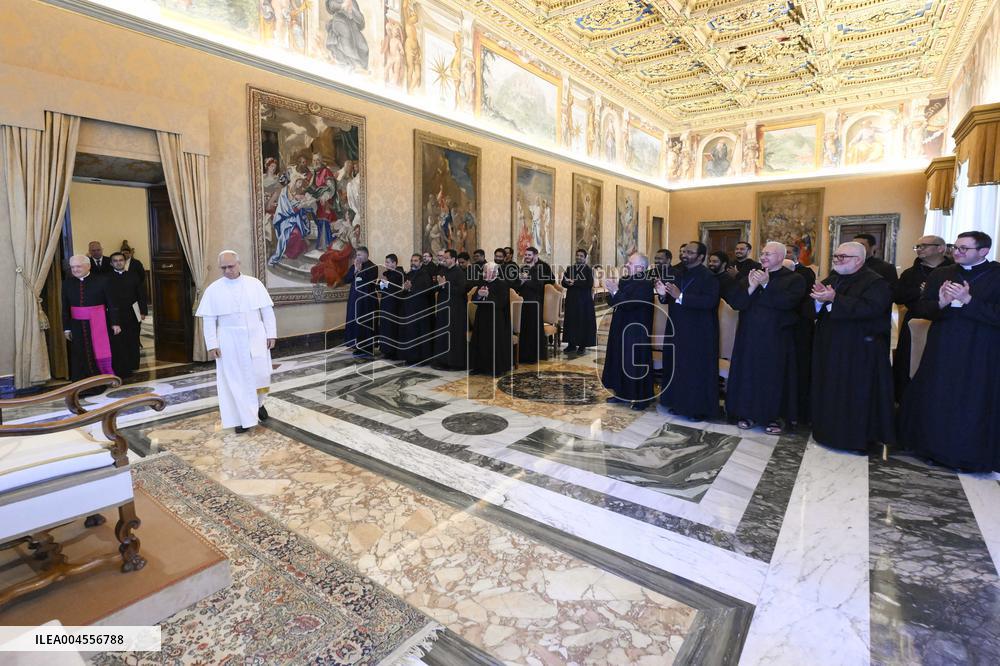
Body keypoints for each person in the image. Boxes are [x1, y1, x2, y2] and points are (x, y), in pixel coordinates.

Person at [900, 231, 1000, 472]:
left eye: (965, 248)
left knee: (972, 399)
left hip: (980, 349)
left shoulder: (997, 275)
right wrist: (941, 303)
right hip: (943, 345)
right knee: (938, 393)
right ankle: (931, 448)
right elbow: (922, 308)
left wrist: (969, 300)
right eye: (956, 247)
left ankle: (965, 453)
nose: (957, 252)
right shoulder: (941, 274)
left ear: (984, 251)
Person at [810, 242, 894, 452]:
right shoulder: (832, 279)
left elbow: (871, 309)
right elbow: (812, 309)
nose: (837, 260)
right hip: (831, 347)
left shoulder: (876, 283)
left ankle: (854, 439)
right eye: (836, 256)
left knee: (855, 395)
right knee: (830, 389)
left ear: (858, 260)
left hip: (859, 350)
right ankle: (826, 432)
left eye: (843, 257)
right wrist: (818, 301)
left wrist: (834, 299)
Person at [725, 241, 806, 434]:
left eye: (768, 254)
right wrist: (752, 287)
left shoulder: (794, 279)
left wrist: (766, 285)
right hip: (749, 336)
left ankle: (774, 418)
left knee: (773, 378)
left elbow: (788, 303)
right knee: (748, 374)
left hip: (776, 337)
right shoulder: (752, 275)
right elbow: (736, 303)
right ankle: (747, 414)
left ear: (781, 257)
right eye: (762, 253)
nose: (763, 257)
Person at [196, 251, 276, 434]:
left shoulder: (254, 284)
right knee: (235, 379)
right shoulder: (213, 289)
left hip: (256, 335)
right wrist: (212, 344)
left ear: (238, 264)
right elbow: (209, 319)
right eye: (223, 268)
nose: (227, 271)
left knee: (261, 374)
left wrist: (271, 334)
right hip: (228, 340)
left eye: (230, 266)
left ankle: (259, 404)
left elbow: (267, 311)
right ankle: (241, 418)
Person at [654, 242, 720, 420]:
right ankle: (678, 403)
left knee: (695, 370)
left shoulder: (709, 277)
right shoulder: (677, 273)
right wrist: (662, 294)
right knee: (677, 367)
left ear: (701, 257)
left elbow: (710, 302)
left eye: (690, 252)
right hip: (676, 327)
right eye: (684, 251)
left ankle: (697, 409)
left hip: (699, 332)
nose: (685, 255)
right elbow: (669, 299)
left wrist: (681, 296)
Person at [892, 235, 951, 398]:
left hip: (944, 322)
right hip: (914, 321)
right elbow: (898, 296)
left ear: (940, 248)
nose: (919, 249)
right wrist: (920, 291)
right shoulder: (910, 273)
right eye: (917, 246)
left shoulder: (953, 270)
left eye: (924, 246)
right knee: (908, 364)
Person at [601, 253, 654, 411]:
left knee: (634, 362)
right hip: (620, 324)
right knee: (619, 358)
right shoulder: (626, 280)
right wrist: (612, 292)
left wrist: (616, 291)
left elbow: (631, 303)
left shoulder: (645, 283)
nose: (627, 265)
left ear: (641, 267)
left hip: (636, 327)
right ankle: (621, 393)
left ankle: (641, 398)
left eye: (630, 263)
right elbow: (616, 302)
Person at [62, 255, 121, 382]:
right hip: (77, 325)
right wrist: (66, 328)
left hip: (99, 323)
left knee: (98, 351)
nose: (75, 270)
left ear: (88, 266)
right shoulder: (67, 283)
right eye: (72, 267)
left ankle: (103, 378)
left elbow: (112, 303)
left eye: (78, 266)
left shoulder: (102, 281)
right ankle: (81, 381)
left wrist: (115, 323)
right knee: (80, 352)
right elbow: (65, 307)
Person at [786, 244, 817, 425]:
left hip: (800, 324)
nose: (786, 255)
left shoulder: (805, 273)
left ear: (797, 256)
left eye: (789, 252)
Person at [106, 252, 147, 378]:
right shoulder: (106, 278)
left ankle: (133, 364)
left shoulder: (133, 276)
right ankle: (121, 366)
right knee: (118, 341)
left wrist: (143, 311)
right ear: (111, 263)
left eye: (121, 260)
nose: (118, 263)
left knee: (133, 338)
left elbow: (141, 294)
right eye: (115, 261)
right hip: (115, 314)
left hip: (133, 313)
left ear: (125, 262)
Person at [469, 263, 512, 376]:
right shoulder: (482, 282)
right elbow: (474, 300)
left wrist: (488, 295)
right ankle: (479, 367)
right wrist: (479, 295)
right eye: (484, 272)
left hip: (496, 318)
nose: (484, 274)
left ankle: (496, 368)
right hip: (481, 317)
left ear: (494, 273)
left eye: (486, 272)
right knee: (480, 341)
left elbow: (502, 303)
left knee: (494, 342)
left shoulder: (502, 284)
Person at [430, 249, 468, 370]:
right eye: (443, 258)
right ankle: (442, 361)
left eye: (446, 258)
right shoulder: (442, 271)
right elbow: (436, 288)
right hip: (443, 308)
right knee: (442, 335)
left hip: (455, 310)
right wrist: (439, 285)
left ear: (453, 259)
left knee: (453, 336)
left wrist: (445, 285)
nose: (444, 260)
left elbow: (461, 290)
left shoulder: (459, 272)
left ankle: (455, 363)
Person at [515, 247, 554, 363]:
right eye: (526, 255)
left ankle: (533, 356)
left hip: (534, 302)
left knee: (533, 328)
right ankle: (522, 355)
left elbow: (539, 286)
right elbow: (516, 285)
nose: (527, 257)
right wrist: (521, 281)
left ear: (534, 256)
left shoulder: (538, 269)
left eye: (529, 255)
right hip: (523, 302)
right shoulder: (522, 269)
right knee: (524, 328)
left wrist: (526, 280)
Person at [399, 254, 434, 365]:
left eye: (415, 261)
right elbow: (403, 291)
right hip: (409, 308)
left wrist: (411, 289)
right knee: (410, 333)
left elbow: (427, 290)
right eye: (412, 260)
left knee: (420, 333)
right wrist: (405, 289)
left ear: (421, 263)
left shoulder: (425, 274)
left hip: (420, 309)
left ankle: (421, 359)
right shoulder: (408, 275)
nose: (413, 263)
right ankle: (410, 357)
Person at [344, 246, 379, 357]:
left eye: (359, 255)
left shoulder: (373, 267)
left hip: (367, 302)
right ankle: (357, 346)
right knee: (355, 323)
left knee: (365, 324)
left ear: (366, 255)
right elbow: (346, 279)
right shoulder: (355, 265)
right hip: (354, 300)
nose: (357, 257)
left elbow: (370, 280)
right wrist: (355, 270)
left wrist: (360, 270)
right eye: (357, 255)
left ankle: (367, 347)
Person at [561, 249, 597, 355]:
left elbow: (589, 284)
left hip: (584, 301)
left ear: (585, 258)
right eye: (577, 255)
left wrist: (574, 282)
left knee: (582, 322)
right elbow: (563, 282)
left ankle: (582, 346)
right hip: (571, 300)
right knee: (571, 322)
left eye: (581, 256)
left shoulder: (588, 270)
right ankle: (571, 344)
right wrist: (567, 282)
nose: (579, 257)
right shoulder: (570, 269)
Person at [378, 253, 404, 360]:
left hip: (394, 305)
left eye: (388, 262)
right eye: (386, 262)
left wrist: (386, 283)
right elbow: (379, 288)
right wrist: (381, 284)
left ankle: (393, 351)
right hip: (385, 303)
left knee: (392, 328)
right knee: (385, 327)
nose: (386, 264)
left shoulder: (399, 274)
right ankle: (386, 350)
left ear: (394, 263)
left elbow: (397, 289)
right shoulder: (386, 273)